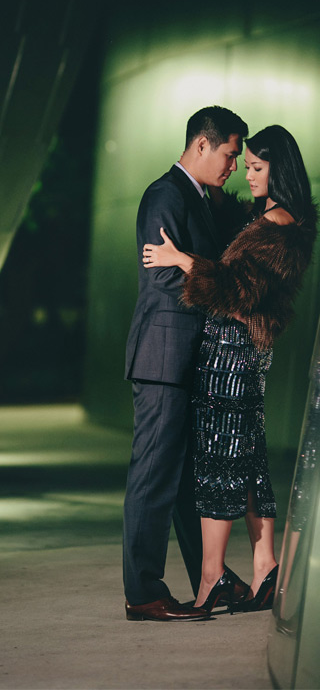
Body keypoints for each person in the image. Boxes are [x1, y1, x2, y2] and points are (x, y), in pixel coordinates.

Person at [142, 124, 317, 612]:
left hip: (233, 354)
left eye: (257, 167)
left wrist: (183, 260)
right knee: (250, 460)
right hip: (240, 350)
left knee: (219, 461)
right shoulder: (261, 216)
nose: (247, 172)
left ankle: (211, 578)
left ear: (279, 171)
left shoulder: (280, 225)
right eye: (245, 163)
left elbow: (239, 290)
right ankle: (265, 568)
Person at [123, 106, 251, 621]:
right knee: (153, 476)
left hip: (186, 359)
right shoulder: (166, 195)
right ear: (202, 144)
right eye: (229, 154)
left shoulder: (199, 200)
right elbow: (163, 280)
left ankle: (211, 576)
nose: (233, 166)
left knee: (185, 480)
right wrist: (225, 292)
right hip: (163, 357)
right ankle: (143, 593)